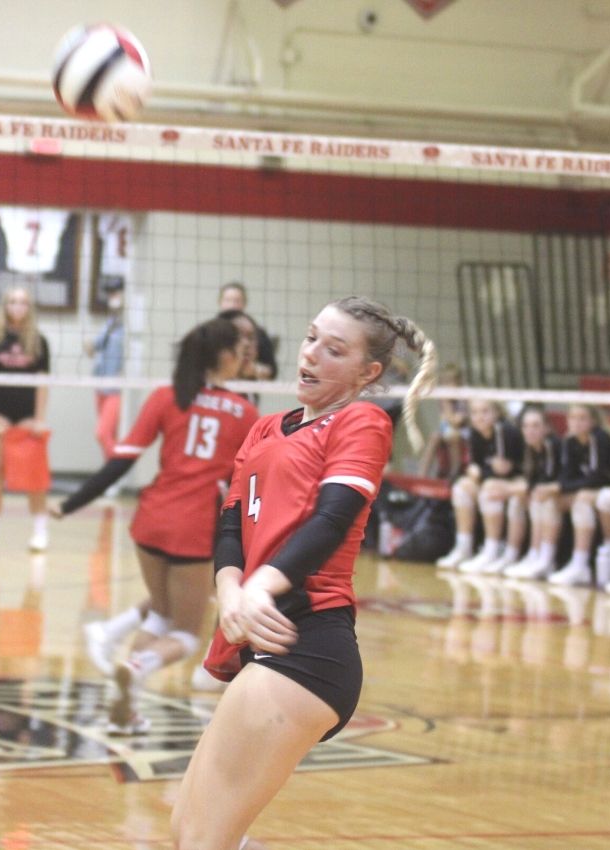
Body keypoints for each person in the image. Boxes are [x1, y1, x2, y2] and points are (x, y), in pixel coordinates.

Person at [174, 296, 435, 850]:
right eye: (312, 337)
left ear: (369, 373)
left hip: (307, 646)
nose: (311, 354)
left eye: (334, 349)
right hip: (259, 637)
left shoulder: (362, 419)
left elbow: (333, 518)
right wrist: (230, 593)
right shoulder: (266, 427)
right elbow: (229, 525)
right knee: (189, 832)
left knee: (203, 840)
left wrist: (262, 587)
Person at [58, 317, 257, 732]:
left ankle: (124, 705)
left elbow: (121, 461)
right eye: (239, 352)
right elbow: (259, 480)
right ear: (223, 357)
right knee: (186, 631)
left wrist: (73, 502)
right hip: (193, 528)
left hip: (149, 523)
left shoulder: (167, 397)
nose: (242, 360)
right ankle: (137, 662)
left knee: (163, 613)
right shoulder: (245, 413)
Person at [0, 286, 52, 552]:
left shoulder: (38, 342)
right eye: (12, 301)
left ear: (30, 308)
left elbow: (43, 383)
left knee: (34, 478)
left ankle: (40, 532)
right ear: (4, 306)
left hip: (27, 418)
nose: (18, 306)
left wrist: (40, 419)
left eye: (23, 302)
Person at [547, 404, 610, 587]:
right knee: (561, 500)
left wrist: (565, 487)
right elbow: (566, 477)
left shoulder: (599, 438)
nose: (577, 423)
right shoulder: (570, 442)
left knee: (594, 499)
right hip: (602, 489)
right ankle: (577, 563)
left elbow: (597, 477)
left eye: (582, 418)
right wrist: (560, 487)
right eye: (572, 418)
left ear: (593, 421)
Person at [435, 398, 524, 571]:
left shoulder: (504, 431)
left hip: (516, 483)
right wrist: (480, 472)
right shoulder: (475, 433)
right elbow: (473, 469)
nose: (479, 417)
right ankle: (464, 547)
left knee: (490, 489)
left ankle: (492, 550)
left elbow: (504, 470)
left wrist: (482, 472)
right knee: (462, 487)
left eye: (485, 412)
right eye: (475, 413)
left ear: (496, 413)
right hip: (491, 481)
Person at [503, 405, 564, 580]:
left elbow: (549, 479)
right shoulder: (530, 448)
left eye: (536, 425)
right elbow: (533, 480)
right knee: (526, 499)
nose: (530, 431)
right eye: (526, 426)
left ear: (546, 427)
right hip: (555, 490)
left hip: (569, 490)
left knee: (542, 499)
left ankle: (546, 559)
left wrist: (510, 488)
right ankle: (531, 554)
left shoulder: (551, 445)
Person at [86, 280, 125, 460]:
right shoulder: (110, 322)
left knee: (102, 433)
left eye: (116, 293)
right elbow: (95, 347)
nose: (113, 297)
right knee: (109, 436)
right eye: (110, 294)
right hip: (101, 384)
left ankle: (114, 472)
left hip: (117, 388)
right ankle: (110, 476)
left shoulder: (130, 323)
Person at [218, 282, 278, 381]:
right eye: (228, 300)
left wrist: (254, 370)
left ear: (244, 304)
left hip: (245, 390)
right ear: (220, 302)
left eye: (237, 301)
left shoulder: (257, 333)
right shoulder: (209, 333)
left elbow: (272, 372)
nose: (232, 305)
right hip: (217, 390)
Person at [417, 363, 467, 479]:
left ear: (458, 383)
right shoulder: (444, 398)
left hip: (463, 431)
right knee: (434, 436)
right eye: (445, 383)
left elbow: (457, 421)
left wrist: (448, 408)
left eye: (451, 382)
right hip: (447, 428)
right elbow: (446, 421)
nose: (448, 386)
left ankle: (455, 472)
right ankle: (422, 473)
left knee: (452, 436)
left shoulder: (463, 398)